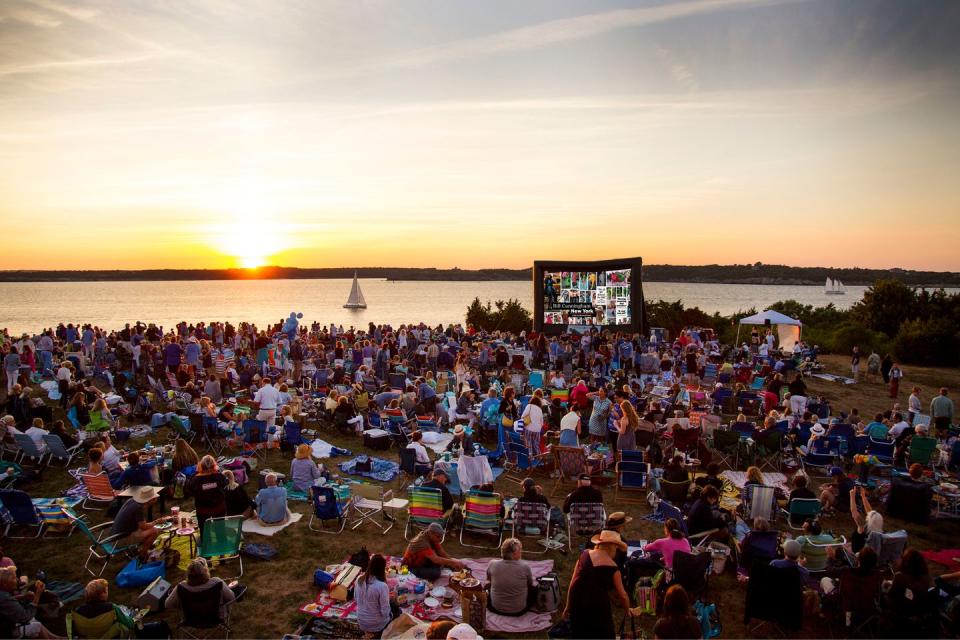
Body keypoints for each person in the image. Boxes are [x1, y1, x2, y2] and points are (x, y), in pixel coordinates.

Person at [563, 529, 631, 639]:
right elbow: (623, 595)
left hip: (577, 599)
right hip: (597, 605)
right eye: (616, 548)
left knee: (580, 632)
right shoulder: (613, 568)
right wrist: (627, 609)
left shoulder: (584, 554)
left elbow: (573, 581)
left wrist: (568, 605)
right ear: (612, 547)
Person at [166, 557, 237, 622]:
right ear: (206, 571)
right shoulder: (217, 582)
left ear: (188, 574)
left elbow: (168, 604)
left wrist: (182, 606)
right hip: (216, 618)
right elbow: (231, 598)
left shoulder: (181, 587)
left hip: (191, 620)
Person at [0, 566, 58, 639]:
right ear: (5, 584)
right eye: (14, 578)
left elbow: (9, 600)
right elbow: (26, 617)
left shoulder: (3, 594)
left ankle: (57, 638)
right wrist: (38, 594)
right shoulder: (4, 598)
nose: (18, 580)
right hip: (5, 633)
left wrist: (23, 596)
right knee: (36, 626)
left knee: (33, 620)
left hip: (6, 623)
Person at [109, 486, 165, 560]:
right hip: (119, 539)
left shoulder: (131, 501)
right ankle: (142, 556)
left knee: (150, 529)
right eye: (154, 498)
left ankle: (140, 549)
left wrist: (153, 523)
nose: (156, 500)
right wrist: (157, 522)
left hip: (114, 535)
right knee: (154, 531)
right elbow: (144, 526)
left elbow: (141, 524)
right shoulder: (138, 508)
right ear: (150, 499)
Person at [486, 538, 536, 616]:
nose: (521, 553)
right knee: (534, 589)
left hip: (494, 608)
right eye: (520, 550)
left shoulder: (492, 564)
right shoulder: (524, 567)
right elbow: (530, 584)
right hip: (518, 611)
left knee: (487, 586)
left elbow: (489, 580)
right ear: (515, 553)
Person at [354, 554, 394, 638]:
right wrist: (390, 600)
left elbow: (356, 600)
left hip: (361, 622)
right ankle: (377, 633)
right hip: (377, 625)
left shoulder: (359, 579)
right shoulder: (382, 586)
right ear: (382, 569)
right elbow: (385, 612)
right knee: (396, 609)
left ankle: (369, 633)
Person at [187, 455, 227, 533]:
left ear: (201, 465)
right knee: (220, 530)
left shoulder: (195, 480)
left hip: (202, 510)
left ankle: (205, 542)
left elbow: (190, 490)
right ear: (214, 465)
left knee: (204, 532)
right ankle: (221, 541)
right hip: (219, 508)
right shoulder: (219, 477)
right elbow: (225, 484)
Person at [849, 485, 882, 553]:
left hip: (859, 554)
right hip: (870, 553)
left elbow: (854, 513)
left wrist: (852, 496)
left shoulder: (862, 528)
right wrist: (863, 496)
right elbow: (870, 512)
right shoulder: (878, 531)